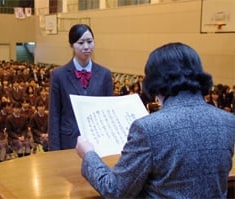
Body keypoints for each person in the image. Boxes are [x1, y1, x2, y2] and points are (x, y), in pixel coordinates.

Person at [75, 42, 235, 198]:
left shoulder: (148, 128)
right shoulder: (228, 122)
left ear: (155, 81)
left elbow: (114, 190)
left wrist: (89, 155)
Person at [48, 24, 113, 151]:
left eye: (90, 42)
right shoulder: (59, 75)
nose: (86, 47)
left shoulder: (105, 74)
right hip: (69, 141)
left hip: (98, 141)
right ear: (72, 45)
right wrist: (54, 150)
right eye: (81, 42)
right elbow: (54, 116)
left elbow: (108, 111)